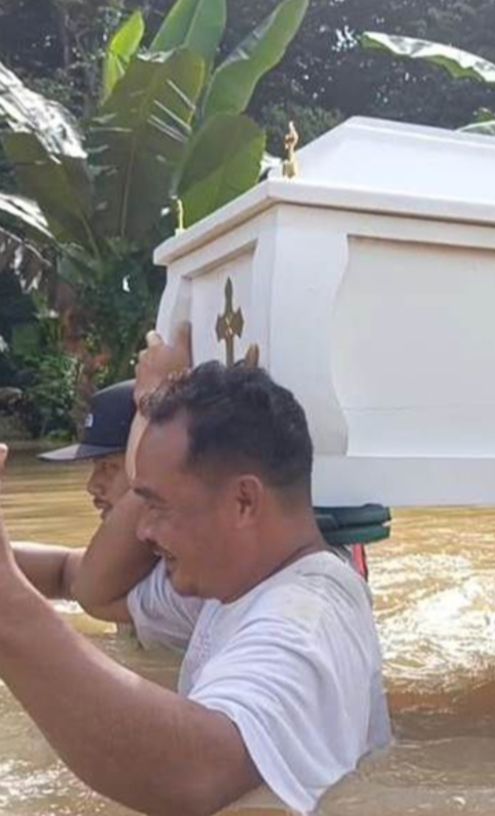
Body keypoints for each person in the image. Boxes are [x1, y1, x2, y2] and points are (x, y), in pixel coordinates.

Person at [0, 326, 390, 815]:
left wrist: (9, 611)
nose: (143, 532)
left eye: (158, 506)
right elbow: (88, 586)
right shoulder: (232, 590)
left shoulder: (305, 618)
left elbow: (199, 773)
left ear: (243, 501)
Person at [10, 381, 135, 601]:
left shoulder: (181, 581)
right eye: (96, 466)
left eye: (109, 467)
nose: (92, 485)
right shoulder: (137, 561)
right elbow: (62, 573)